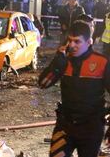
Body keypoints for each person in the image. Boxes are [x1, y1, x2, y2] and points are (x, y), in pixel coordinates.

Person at [38, 21, 110, 157]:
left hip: (91, 127)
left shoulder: (102, 62)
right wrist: (57, 62)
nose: (72, 45)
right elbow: (43, 84)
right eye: (70, 41)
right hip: (65, 125)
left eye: (77, 42)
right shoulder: (64, 61)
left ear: (89, 42)